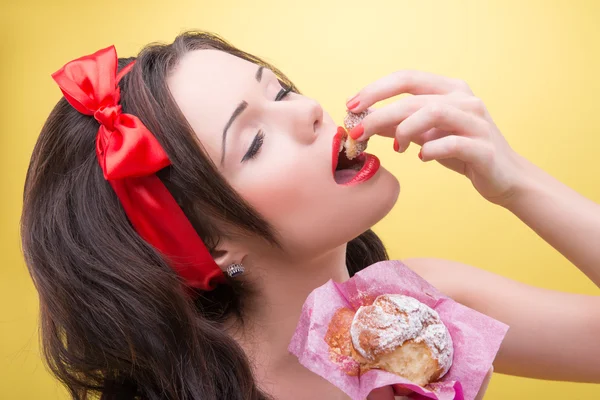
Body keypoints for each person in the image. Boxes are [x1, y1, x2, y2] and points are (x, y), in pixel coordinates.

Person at [21, 31, 600, 400]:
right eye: (252, 142)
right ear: (209, 243)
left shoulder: (426, 306)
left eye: (280, 92)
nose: (310, 114)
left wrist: (515, 182)